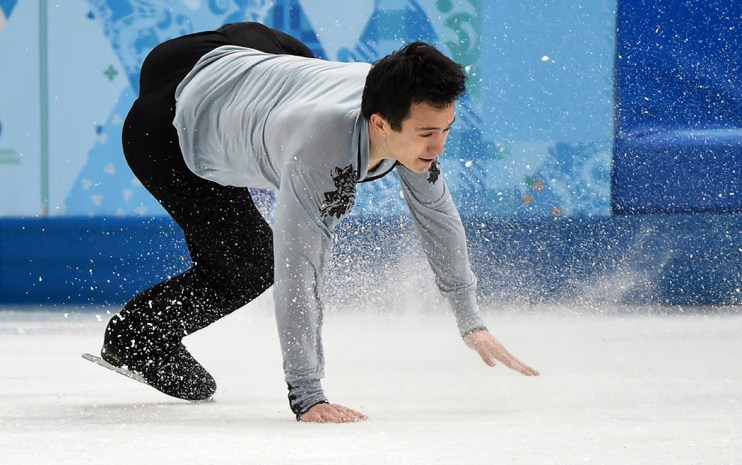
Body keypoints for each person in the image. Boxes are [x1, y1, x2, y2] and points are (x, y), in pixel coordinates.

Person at [100, 22, 539, 424]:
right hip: (166, 128)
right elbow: (298, 271)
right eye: (428, 134)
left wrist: (471, 322)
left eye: (447, 130)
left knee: (298, 58)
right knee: (252, 263)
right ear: (381, 123)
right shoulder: (319, 154)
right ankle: (139, 336)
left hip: (246, 50)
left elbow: (437, 217)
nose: (439, 146)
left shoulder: (395, 102)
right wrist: (307, 394)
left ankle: (262, 139)